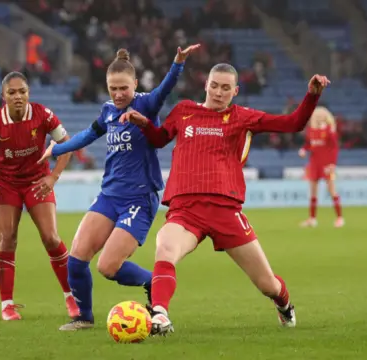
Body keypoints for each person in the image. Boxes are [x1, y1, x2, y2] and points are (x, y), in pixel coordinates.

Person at [120, 63, 330, 335]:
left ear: (235, 91)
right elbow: (159, 139)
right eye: (215, 85)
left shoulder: (243, 117)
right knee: (165, 249)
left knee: (267, 284)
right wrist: (145, 124)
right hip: (185, 208)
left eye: (226, 88)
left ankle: (285, 304)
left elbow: (293, 123)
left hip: (226, 211)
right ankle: (159, 314)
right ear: (206, 84)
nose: (219, 92)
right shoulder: (184, 111)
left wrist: (312, 95)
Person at [38, 45, 200, 331]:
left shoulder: (146, 104)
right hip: (109, 196)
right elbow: (89, 135)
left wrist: (177, 64)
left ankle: (153, 282)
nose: (118, 94)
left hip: (139, 197)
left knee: (107, 266)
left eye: (123, 88)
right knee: (76, 260)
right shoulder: (108, 111)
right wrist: (57, 148)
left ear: (135, 85)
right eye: (113, 88)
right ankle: (84, 318)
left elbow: (164, 89)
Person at [0, 71, 78, 321]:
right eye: (12, 92)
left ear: (28, 93)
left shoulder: (43, 115)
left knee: (51, 238)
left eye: (22, 91)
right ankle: (7, 306)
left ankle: (72, 297)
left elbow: (67, 146)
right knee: (7, 239)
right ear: (3, 97)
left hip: (36, 182)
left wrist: (53, 177)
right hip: (6, 184)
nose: (18, 96)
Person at [298, 106, 343, 228]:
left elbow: (334, 148)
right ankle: (312, 219)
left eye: (321, 116)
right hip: (314, 164)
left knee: (332, 190)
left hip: (327, 165)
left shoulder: (329, 130)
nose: (318, 118)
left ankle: (339, 218)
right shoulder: (310, 130)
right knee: (313, 192)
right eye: (316, 116)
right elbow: (309, 144)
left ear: (326, 117)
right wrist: (303, 149)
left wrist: (332, 164)